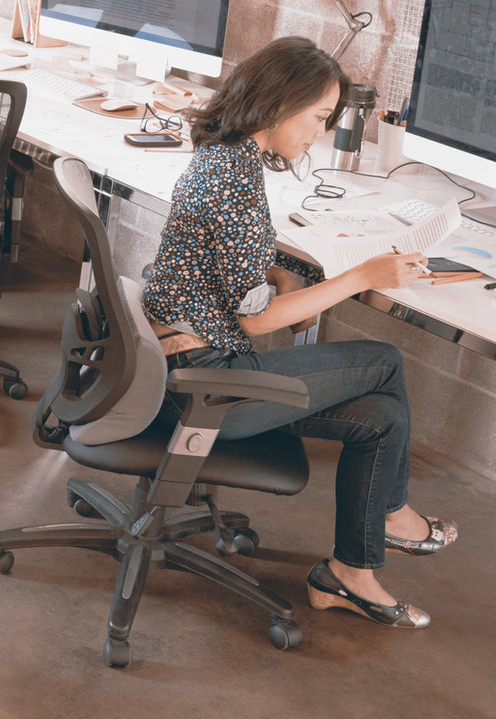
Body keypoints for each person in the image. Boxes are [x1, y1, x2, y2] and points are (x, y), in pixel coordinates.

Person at [141, 36, 457, 630]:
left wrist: (280, 274)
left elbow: (230, 272)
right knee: (385, 360)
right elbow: (255, 320)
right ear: (279, 103)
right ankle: (392, 513)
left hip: (185, 368)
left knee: (382, 420)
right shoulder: (234, 181)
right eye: (318, 117)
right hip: (207, 389)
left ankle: (349, 574)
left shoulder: (221, 159)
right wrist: (361, 275)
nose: (319, 132)